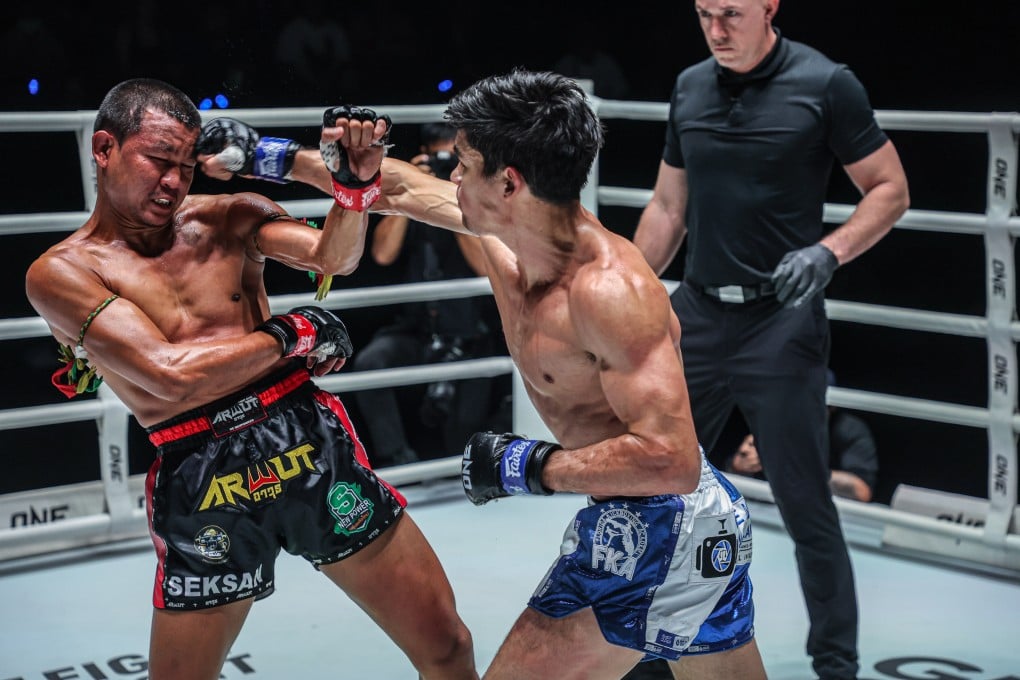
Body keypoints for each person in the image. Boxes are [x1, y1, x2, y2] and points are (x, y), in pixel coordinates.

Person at [253, 69, 767, 679]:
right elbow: (398, 185)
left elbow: (672, 459)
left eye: (465, 164)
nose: (453, 176)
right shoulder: (506, 231)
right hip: (691, 523)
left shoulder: (610, 292)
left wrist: (529, 466)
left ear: (510, 183)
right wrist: (266, 156)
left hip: (659, 524)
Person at [24, 78, 476, 680]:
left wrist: (354, 187)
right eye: (159, 160)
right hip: (201, 469)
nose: (174, 181)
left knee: (447, 644)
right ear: (104, 148)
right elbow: (166, 376)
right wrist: (291, 335)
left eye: (186, 165)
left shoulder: (227, 214)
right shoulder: (60, 273)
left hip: (304, 441)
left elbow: (332, 258)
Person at [630, 2, 910, 678]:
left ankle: (835, 664)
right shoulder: (690, 85)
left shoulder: (825, 83)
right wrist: (630, 298)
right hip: (696, 313)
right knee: (652, 488)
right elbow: (669, 208)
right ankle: (645, 653)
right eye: (703, 14)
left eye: (731, 14)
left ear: (769, 8)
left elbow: (890, 188)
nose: (716, 30)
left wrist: (830, 252)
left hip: (781, 322)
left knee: (804, 499)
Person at [351, 122, 502, 467]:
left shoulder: (482, 202)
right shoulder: (411, 196)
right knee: (371, 363)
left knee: (462, 438)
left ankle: (462, 472)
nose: (445, 168)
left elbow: (484, 266)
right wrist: (412, 195)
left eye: (453, 160)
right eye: (438, 158)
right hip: (416, 331)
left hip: (468, 336)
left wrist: (453, 202)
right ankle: (399, 459)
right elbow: (383, 254)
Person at [727, 373, 879, 503]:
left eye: (809, 405)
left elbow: (861, 491)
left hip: (828, 513)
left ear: (831, 408)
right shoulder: (772, 420)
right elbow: (731, 474)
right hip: (769, 508)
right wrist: (739, 466)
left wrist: (801, 470)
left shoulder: (848, 429)